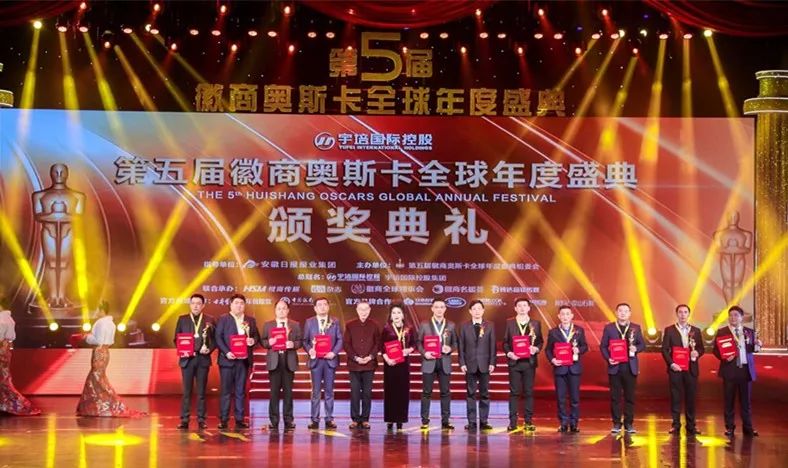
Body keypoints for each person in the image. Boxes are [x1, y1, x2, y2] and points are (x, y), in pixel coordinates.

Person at [76, 302, 144, 417]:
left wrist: (86, 337)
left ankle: (108, 403)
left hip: (99, 352)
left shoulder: (100, 323)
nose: (96, 312)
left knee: (96, 378)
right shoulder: (111, 323)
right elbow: (109, 341)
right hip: (106, 351)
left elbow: (98, 340)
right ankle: (99, 405)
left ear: (102, 310)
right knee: (97, 378)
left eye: (97, 310)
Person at [713, 305, 760, 437]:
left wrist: (758, 345)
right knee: (729, 400)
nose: (733, 318)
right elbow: (715, 350)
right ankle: (729, 427)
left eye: (736, 315)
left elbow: (752, 349)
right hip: (730, 370)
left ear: (741, 317)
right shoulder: (722, 332)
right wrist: (724, 357)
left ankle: (748, 427)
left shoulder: (749, 332)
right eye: (731, 315)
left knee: (746, 402)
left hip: (745, 370)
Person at [215, 294, 259, 431]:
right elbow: (218, 337)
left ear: (244, 305)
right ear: (231, 305)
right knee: (226, 391)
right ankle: (224, 419)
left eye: (241, 303)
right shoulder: (223, 319)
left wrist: (252, 340)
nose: (239, 305)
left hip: (243, 360)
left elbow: (256, 336)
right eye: (236, 303)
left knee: (241, 391)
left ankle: (240, 419)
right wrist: (226, 352)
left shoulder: (250, 320)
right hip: (227, 359)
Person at [600, 302, 645, 434]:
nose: (623, 313)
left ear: (630, 313)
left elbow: (642, 344)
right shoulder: (609, 328)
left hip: (630, 367)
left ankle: (629, 424)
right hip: (615, 366)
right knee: (615, 397)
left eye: (626, 311)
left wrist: (636, 348)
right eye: (620, 311)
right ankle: (616, 423)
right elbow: (603, 346)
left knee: (630, 397)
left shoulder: (636, 327)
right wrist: (608, 358)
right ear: (616, 313)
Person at [661, 304, 704, 436]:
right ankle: (675, 425)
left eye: (685, 312)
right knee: (675, 397)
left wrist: (697, 353)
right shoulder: (669, 330)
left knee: (691, 397)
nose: (683, 315)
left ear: (689, 314)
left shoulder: (696, 330)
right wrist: (671, 364)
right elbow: (664, 349)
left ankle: (691, 425)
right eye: (680, 312)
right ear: (677, 314)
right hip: (676, 368)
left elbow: (701, 348)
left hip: (691, 368)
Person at [174, 293, 215, 430]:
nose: (196, 306)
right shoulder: (182, 319)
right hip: (187, 360)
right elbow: (176, 339)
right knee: (186, 391)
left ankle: (201, 420)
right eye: (193, 303)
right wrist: (184, 350)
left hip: (203, 359)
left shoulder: (209, 320)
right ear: (190, 305)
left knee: (201, 392)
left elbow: (214, 339)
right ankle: (184, 420)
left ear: (203, 305)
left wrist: (208, 349)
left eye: (198, 303)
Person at [260, 298, 302, 432]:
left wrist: (293, 344)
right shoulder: (268, 325)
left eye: (284, 308)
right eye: (279, 308)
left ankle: (289, 420)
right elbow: (263, 341)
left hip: (289, 361)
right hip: (274, 361)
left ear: (288, 310)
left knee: (288, 393)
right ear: (275, 310)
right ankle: (274, 421)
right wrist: (270, 342)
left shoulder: (295, 325)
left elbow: (300, 341)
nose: (281, 311)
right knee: (274, 393)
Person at [545, 305, 588, 433]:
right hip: (560, 368)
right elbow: (548, 350)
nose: (565, 316)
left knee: (575, 398)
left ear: (572, 316)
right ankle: (563, 422)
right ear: (559, 316)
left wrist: (578, 350)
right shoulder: (553, 332)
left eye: (567, 314)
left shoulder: (579, 330)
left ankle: (574, 423)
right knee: (561, 398)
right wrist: (553, 360)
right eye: (562, 314)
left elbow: (585, 346)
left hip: (574, 368)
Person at [502, 298, 543, 432]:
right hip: (515, 362)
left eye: (525, 305)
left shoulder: (535, 323)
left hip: (529, 363)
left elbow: (540, 342)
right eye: (519, 306)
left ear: (529, 308)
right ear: (515, 308)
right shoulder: (509, 323)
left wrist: (536, 349)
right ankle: (513, 422)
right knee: (514, 393)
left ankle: (528, 421)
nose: (522, 308)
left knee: (528, 392)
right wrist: (509, 353)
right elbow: (505, 343)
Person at [302, 297, 343, 430]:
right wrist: (310, 350)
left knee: (329, 391)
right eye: (319, 305)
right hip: (316, 361)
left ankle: (329, 419)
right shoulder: (309, 322)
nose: (323, 307)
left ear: (328, 307)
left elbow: (340, 340)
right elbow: (305, 341)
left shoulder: (335, 321)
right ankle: (314, 419)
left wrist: (334, 353)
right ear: (315, 308)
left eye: (325, 304)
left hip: (330, 360)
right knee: (316, 392)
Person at [417, 297, 457, 430]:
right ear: (432, 308)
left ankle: (445, 421)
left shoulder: (451, 325)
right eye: (436, 307)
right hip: (429, 361)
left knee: (445, 392)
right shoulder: (424, 324)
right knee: (426, 392)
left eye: (442, 307)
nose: (439, 309)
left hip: (444, 361)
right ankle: (425, 421)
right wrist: (424, 353)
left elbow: (455, 343)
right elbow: (418, 342)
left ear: (445, 309)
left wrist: (450, 349)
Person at [458, 300, 496, 431]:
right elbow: (461, 346)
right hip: (470, 364)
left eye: (479, 308)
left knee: (485, 394)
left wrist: (492, 362)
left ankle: (484, 421)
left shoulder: (490, 325)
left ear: (483, 310)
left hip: (485, 364)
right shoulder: (464, 326)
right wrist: (462, 363)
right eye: (474, 309)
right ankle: (472, 422)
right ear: (470, 311)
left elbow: (492, 345)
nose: (477, 311)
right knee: (471, 394)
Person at [344, 301, 381, 430]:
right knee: (355, 393)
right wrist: (356, 358)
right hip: (354, 364)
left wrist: (370, 357)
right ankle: (355, 419)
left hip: (369, 364)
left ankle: (365, 419)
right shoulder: (350, 325)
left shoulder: (375, 325)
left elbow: (377, 344)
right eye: (361, 309)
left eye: (366, 309)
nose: (364, 312)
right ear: (357, 310)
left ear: (369, 310)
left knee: (367, 393)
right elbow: (346, 344)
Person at [381, 303, 416, 431]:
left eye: (399, 312)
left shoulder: (409, 328)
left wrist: (409, 350)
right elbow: (382, 347)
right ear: (390, 316)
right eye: (394, 313)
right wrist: (387, 359)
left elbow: (414, 344)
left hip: (403, 364)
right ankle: (390, 419)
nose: (396, 315)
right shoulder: (386, 329)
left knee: (402, 392)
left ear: (403, 315)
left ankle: (401, 419)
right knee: (390, 391)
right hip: (390, 364)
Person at [0, 308, 41, 416]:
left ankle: (17, 405)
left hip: (2, 351)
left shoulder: (5, 318)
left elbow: (9, 337)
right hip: (3, 349)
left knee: (3, 381)